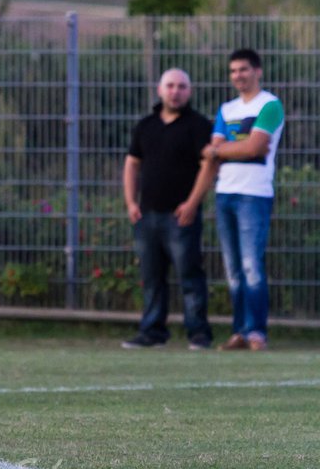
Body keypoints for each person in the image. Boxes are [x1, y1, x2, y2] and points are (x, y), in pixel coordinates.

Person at [120, 68, 216, 350]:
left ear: (190, 91)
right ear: (160, 90)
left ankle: (198, 333)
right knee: (151, 277)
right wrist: (130, 202)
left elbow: (208, 165)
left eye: (182, 87)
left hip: (181, 216)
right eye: (171, 86)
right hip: (147, 215)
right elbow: (132, 164)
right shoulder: (146, 125)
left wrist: (192, 203)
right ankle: (152, 332)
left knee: (190, 275)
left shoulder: (198, 126)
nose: (176, 92)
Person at [204, 47, 285, 352]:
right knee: (233, 269)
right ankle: (239, 331)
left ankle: (256, 333)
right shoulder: (226, 110)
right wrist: (226, 149)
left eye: (244, 69)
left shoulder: (271, 105)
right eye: (234, 70)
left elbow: (255, 147)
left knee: (252, 265)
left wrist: (219, 150)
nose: (238, 75)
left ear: (257, 71)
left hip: (254, 194)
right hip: (225, 193)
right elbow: (225, 147)